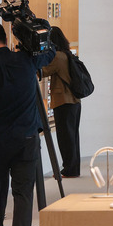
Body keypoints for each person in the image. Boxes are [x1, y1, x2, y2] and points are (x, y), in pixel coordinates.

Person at [0, 20, 55, 226]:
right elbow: (50, 51)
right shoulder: (26, 60)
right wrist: (29, 22)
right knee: (24, 194)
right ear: (7, 39)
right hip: (26, 139)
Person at [41, 27, 82, 178]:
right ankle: (73, 167)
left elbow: (43, 71)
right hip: (74, 102)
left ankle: (69, 169)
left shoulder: (58, 56)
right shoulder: (68, 54)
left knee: (65, 138)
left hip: (64, 102)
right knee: (72, 137)